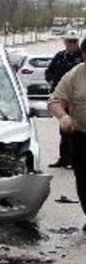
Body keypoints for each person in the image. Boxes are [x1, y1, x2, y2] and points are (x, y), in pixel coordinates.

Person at [49, 58, 86, 229]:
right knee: (84, 180)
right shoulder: (76, 74)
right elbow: (56, 101)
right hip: (81, 135)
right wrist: (63, 117)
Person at [45, 33, 82, 168]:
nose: (71, 44)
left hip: (77, 100)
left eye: (73, 41)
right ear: (65, 42)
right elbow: (49, 71)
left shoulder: (81, 57)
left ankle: (74, 160)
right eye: (69, 41)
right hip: (61, 98)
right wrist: (50, 80)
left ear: (77, 42)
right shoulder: (60, 56)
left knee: (75, 130)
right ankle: (64, 159)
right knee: (64, 128)